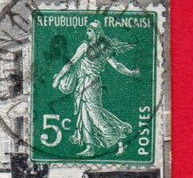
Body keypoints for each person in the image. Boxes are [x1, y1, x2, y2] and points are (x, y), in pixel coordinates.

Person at [52, 20, 138, 157]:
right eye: (87, 30)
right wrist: (58, 78)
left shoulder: (96, 48)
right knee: (84, 114)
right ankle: (90, 146)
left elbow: (116, 65)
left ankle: (119, 137)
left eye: (90, 30)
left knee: (94, 114)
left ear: (96, 32)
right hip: (84, 83)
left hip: (91, 83)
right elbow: (72, 62)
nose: (87, 33)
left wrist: (130, 72)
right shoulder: (89, 46)